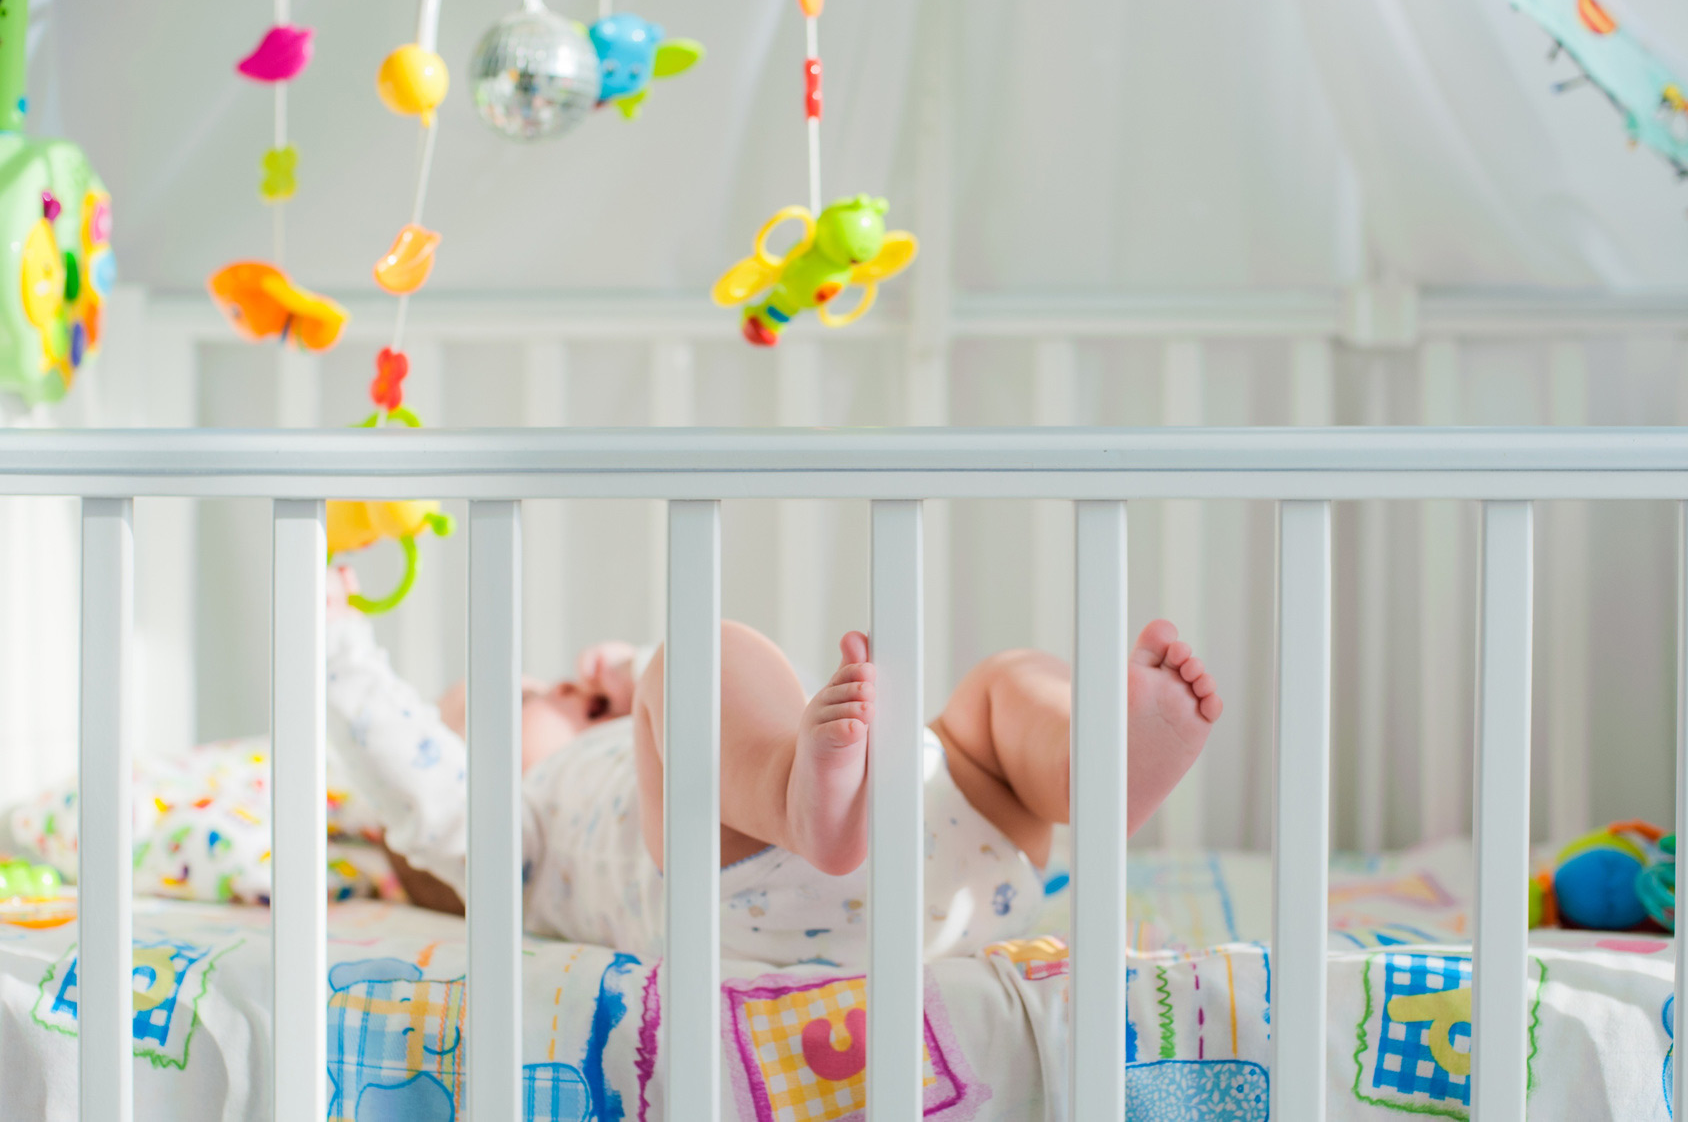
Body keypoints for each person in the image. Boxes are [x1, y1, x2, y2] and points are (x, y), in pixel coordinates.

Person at [7, 568, 1221, 968]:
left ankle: (1090, 763)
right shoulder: (511, 827)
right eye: (534, 699)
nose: (566, 686)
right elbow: (415, 776)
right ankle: (811, 799)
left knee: (999, 692)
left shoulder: (592, 754)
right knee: (691, 652)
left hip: (953, 848)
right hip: (785, 865)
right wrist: (334, 643)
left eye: (572, 689)